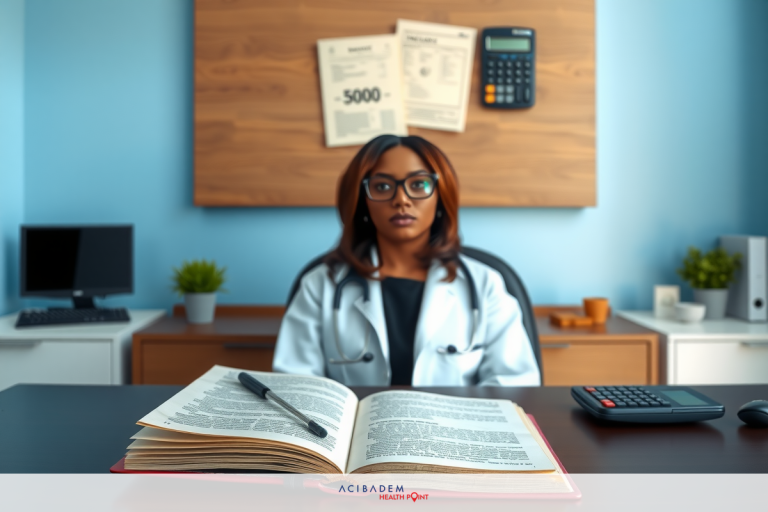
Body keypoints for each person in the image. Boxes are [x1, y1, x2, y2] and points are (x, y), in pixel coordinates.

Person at [272, 134, 540, 387]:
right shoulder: (320, 285)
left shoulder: (485, 284)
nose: (401, 200)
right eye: (382, 186)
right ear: (363, 200)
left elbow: (515, 384)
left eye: (419, 184)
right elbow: (297, 385)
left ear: (441, 196)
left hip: (453, 434)